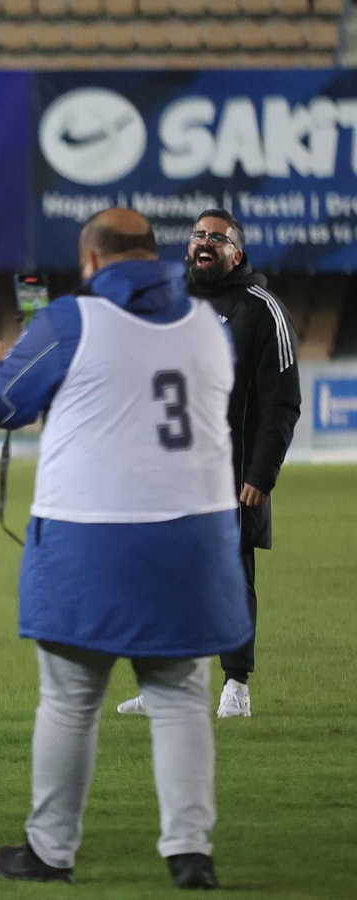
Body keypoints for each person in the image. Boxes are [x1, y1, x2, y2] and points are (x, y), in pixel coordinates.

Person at [0, 209, 248, 889]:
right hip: (194, 539)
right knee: (182, 697)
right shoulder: (209, 324)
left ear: (90, 260)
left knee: (70, 701)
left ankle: (50, 852)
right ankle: (190, 854)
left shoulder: (70, 320)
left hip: (89, 539)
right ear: (154, 253)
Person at [117, 209, 300, 720]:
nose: (205, 242)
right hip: (168, 471)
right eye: (198, 234)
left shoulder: (262, 309)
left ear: (236, 254)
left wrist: (261, 474)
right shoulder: (168, 303)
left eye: (217, 238)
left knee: (229, 578)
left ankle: (236, 686)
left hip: (231, 473)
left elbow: (282, 403)